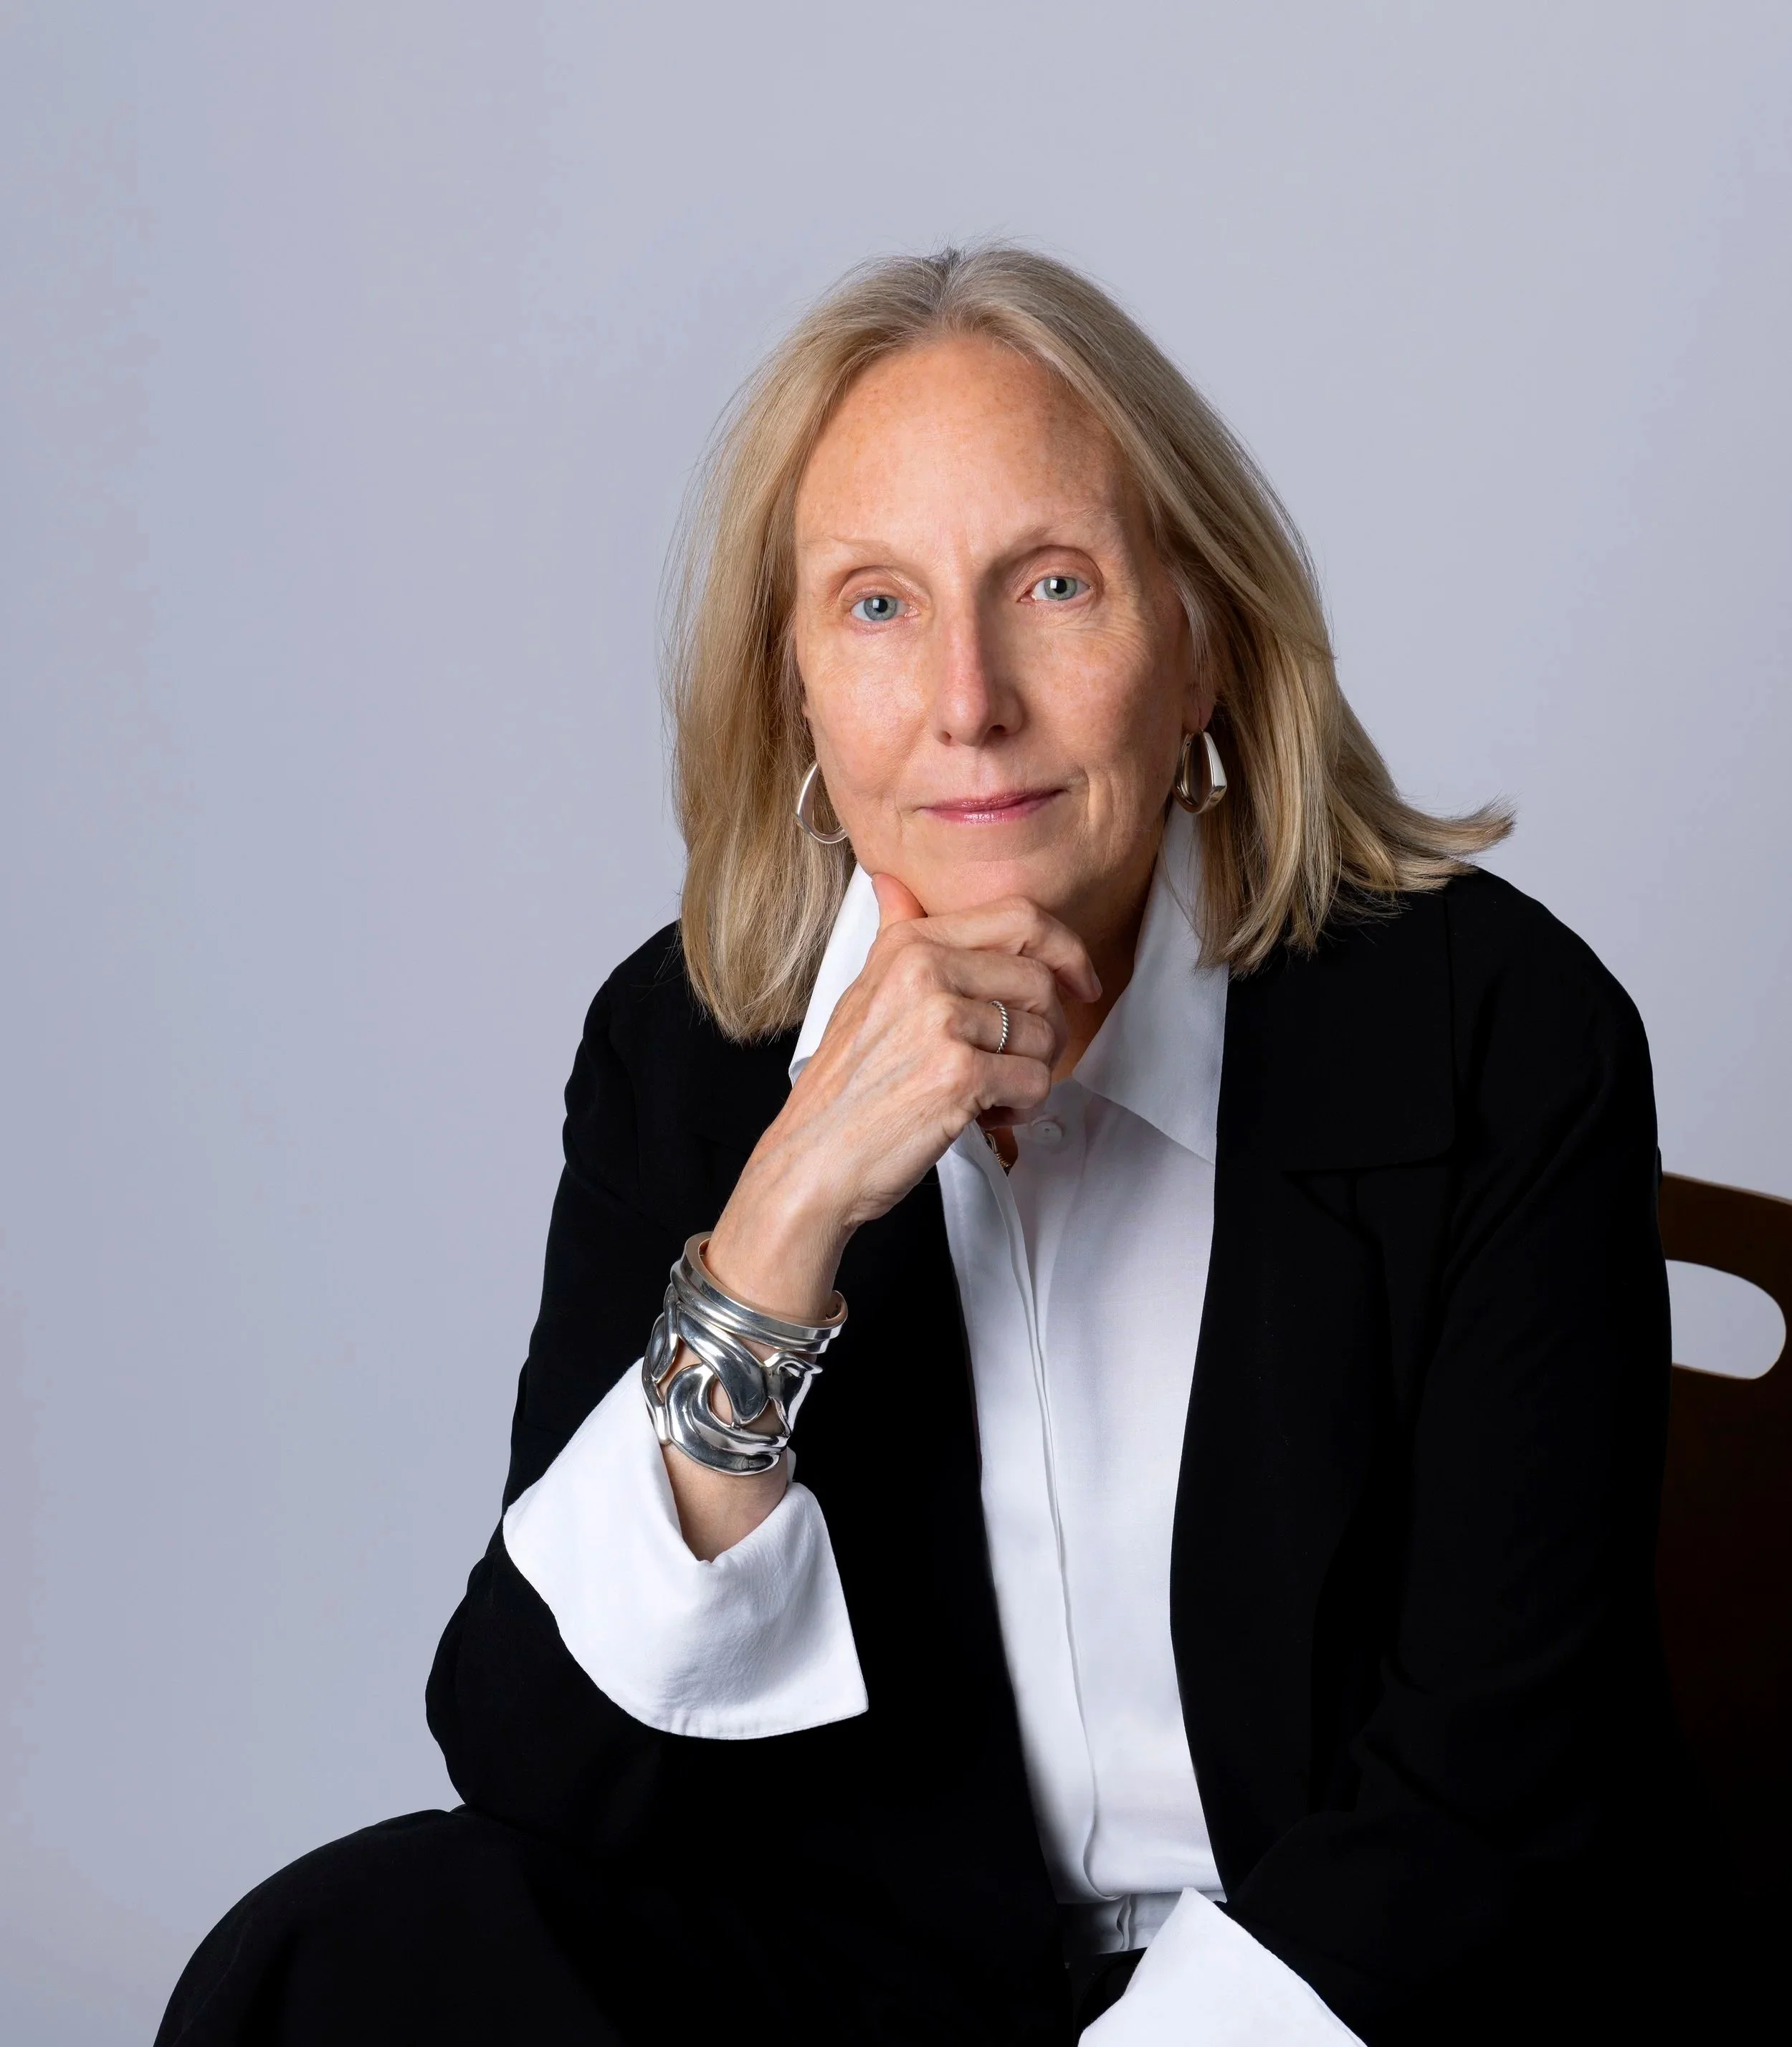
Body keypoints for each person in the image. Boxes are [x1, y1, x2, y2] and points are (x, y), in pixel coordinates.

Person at [156, 245, 1711, 2046]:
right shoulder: (688, 1051)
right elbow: (537, 1762)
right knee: (344, 1956)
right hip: (880, 1982)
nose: (966, 701)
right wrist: (789, 1204)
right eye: (876, 607)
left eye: (1051, 585)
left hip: (1387, 1989)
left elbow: (1486, 1795)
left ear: (1197, 639)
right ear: (797, 685)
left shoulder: (1492, 1029)